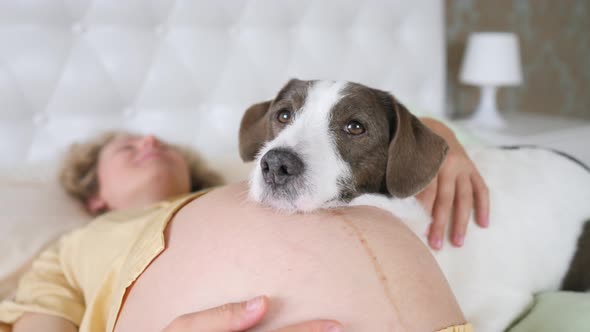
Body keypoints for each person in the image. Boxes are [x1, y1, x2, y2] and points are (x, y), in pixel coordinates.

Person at [0, 117, 487, 332]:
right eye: (126, 147)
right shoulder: (70, 250)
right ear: (95, 195)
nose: (148, 139)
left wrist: (440, 138)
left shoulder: (259, 179)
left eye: (160, 142)